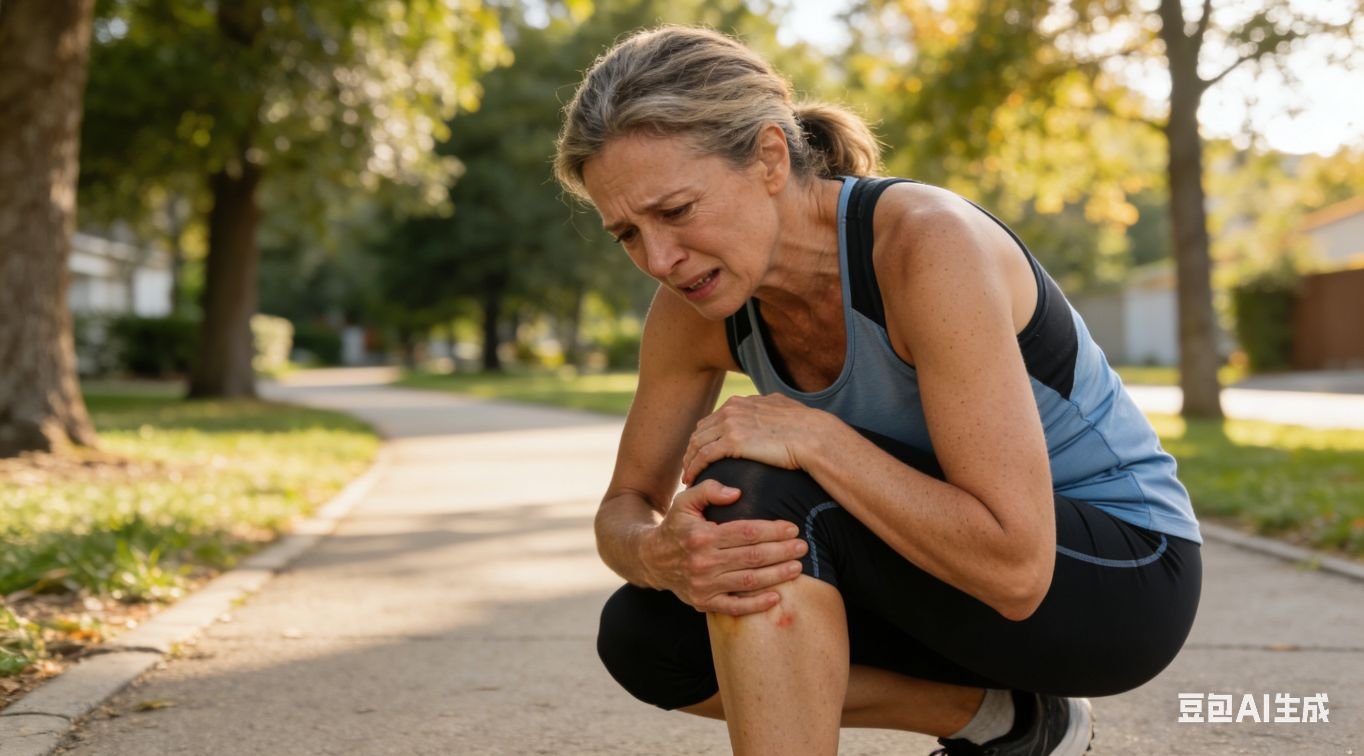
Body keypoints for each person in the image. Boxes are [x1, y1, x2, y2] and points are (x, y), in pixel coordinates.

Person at [553, 25, 1202, 756]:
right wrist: (658, 554)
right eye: (627, 235)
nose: (659, 258)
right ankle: (1006, 721)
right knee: (647, 635)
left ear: (769, 157)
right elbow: (624, 505)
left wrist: (816, 437)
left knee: (756, 494)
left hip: (1115, 583)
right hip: (942, 578)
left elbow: (1017, 569)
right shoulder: (693, 306)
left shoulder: (924, 245)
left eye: (675, 211)